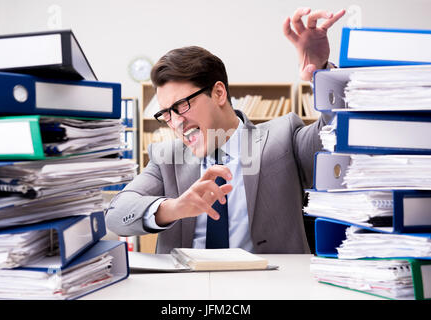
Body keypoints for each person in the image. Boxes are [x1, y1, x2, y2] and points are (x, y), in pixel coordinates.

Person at [106, 8, 346, 254]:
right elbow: (115, 215)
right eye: (166, 113)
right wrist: (175, 207)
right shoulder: (165, 158)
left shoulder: (283, 136)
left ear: (219, 93)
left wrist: (322, 74)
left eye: (181, 106)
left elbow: (336, 137)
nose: (175, 122)